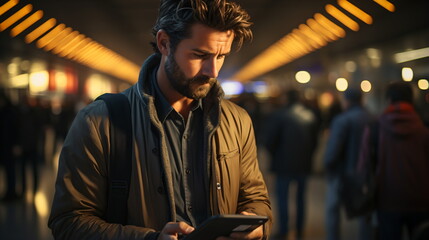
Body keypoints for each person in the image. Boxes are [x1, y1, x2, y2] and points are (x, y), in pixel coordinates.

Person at [48, 0, 272, 239]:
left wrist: (256, 225)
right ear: (164, 43)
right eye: (199, 55)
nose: (213, 71)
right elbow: (69, 222)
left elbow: (256, 199)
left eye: (221, 56)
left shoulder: (237, 121)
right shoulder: (98, 122)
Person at [358, 81, 429, 240]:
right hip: (422, 200)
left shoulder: (375, 128)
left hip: (386, 200)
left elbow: (364, 166)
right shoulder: (424, 128)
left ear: (388, 100)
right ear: (412, 100)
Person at [262, 89, 319, 240]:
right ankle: (300, 230)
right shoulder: (310, 115)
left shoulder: (280, 115)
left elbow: (269, 141)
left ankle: (284, 230)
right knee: (301, 198)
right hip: (303, 164)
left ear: (286, 98)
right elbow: (315, 142)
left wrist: (275, 155)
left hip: (283, 164)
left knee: (282, 198)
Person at [323, 88, 373, 240]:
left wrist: (328, 166)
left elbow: (333, 151)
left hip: (342, 174)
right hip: (366, 175)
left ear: (346, 101)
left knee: (333, 210)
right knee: (365, 213)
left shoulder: (342, 120)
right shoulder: (373, 119)